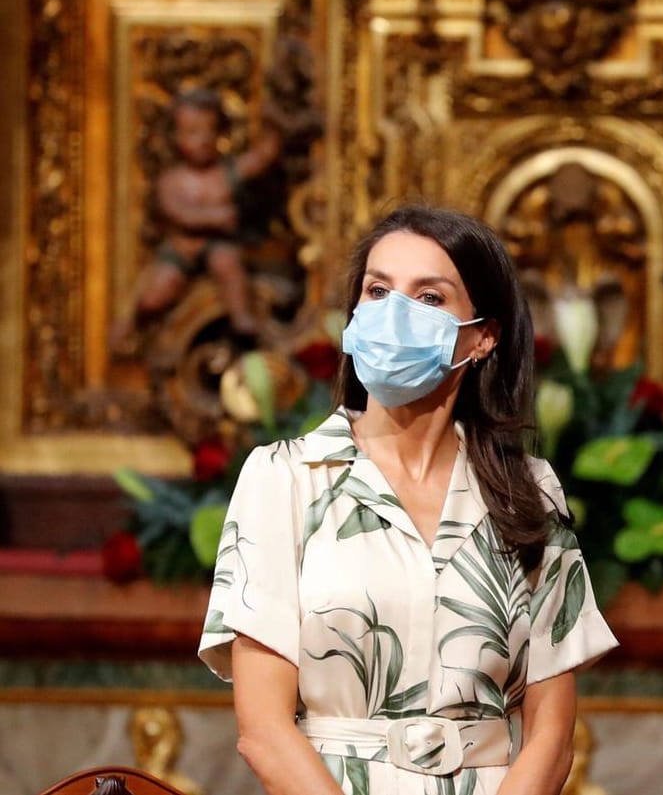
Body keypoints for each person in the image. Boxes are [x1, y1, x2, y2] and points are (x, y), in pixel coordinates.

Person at [199, 205, 619, 795]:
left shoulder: (529, 489)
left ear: (482, 336)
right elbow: (263, 730)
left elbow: (551, 733)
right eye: (378, 290)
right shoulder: (284, 478)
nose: (395, 314)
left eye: (428, 298)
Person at [112, 88, 282, 347]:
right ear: (175, 136)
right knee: (157, 292)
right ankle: (135, 322)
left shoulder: (226, 172)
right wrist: (213, 217)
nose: (202, 140)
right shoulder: (172, 180)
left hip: (218, 244)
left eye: (209, 131)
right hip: (182, 247)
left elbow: (260, 159)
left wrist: (274, 125)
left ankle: (242, 318)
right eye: (192, 133)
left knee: (229, 267)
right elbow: (177, 212)